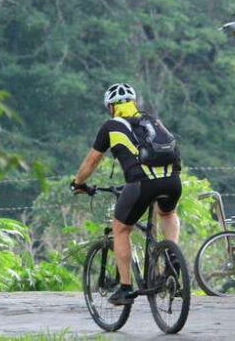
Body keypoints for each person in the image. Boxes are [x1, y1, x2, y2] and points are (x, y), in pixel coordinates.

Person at [71, 83, 181, 306]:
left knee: (121, 229)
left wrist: (78, 183)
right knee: (167, 214)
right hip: (172, 181)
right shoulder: (152, 120)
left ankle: (125, 288)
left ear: (111, 107)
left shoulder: (111, 126)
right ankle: (172, 261)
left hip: (141, 184)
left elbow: (92, 160)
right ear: (134, 102)